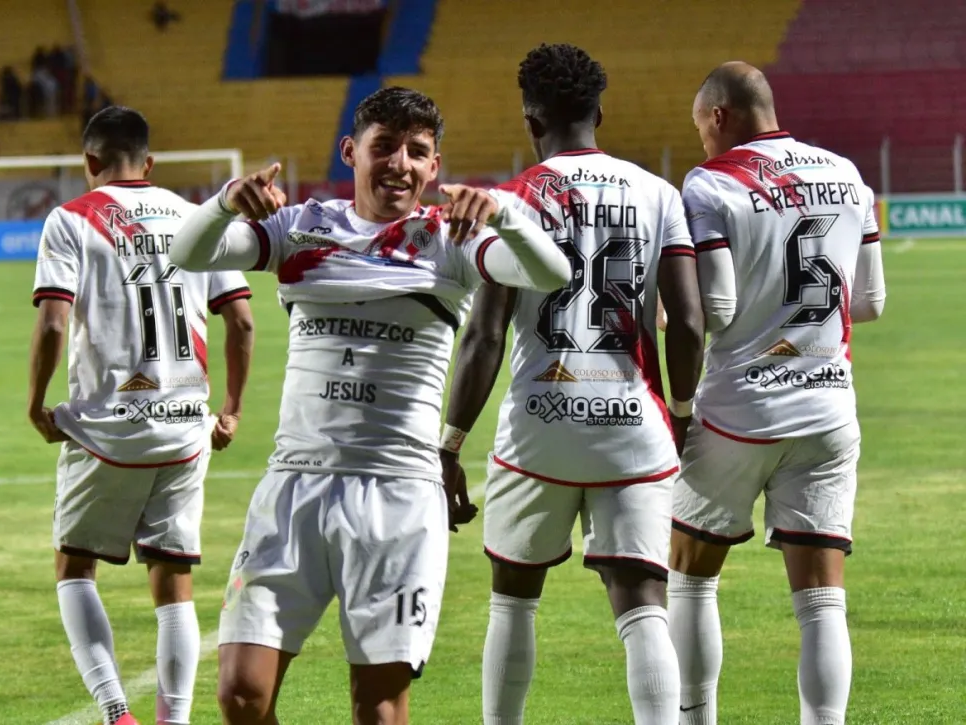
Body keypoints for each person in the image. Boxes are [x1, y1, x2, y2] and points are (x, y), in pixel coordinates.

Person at [167, 86, 571, 725]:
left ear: (434, 166)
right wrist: (224, 203)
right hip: (294, 486)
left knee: (378, 708)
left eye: (417, 151)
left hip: (397, 495)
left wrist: (504, 215)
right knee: (241, 695)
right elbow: (187, 253)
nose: (399, 164)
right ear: (351, 152)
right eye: (384, 147)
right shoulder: (300, 226)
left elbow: (552, 274)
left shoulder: (451, 239)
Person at [440, 43, 705, 725]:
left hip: (539, 426)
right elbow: (688, 323)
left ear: (531, 120)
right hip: (631, 425)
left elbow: (484, 335)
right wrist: (680, 412)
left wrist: (450, 444)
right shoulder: (658, 193)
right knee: (642, 601)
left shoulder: (510, 201)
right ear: (599, 114)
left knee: (512, 598)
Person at [667, 62, 886, 725]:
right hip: (828, 408)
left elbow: (717, 306)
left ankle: (695, 717)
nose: (703, 139)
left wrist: (669, 318)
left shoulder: (711, 182)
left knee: (690, 573)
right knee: (821, 598)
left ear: (719, 116)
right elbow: (870, 302)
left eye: (701, 127)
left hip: (739, 410)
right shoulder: (846, 173)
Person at [29, 105, 255, 725]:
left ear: (90, 160)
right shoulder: (196, 218)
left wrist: (36, 403)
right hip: (186, 428)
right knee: (173, 581)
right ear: (150, 162)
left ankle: (115, 712)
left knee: (75, 566)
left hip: (107, 430)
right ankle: (172, 720)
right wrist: (231, 409)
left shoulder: (71, 219)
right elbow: (241, 321)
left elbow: (53, 323)